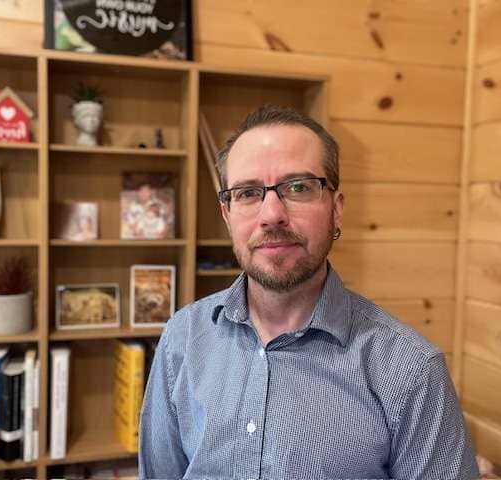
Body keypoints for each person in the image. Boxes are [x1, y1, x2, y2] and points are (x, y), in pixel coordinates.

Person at [138, 105, 479, 479]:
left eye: (298, 187)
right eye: (248, 192)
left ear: (336, 209)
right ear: (227, 215)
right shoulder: (182, 337)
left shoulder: (411, 372)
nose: (271, 214)